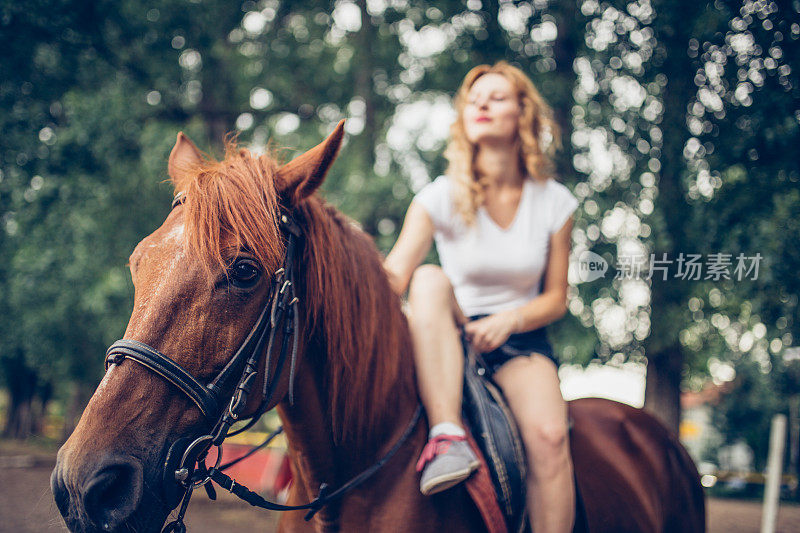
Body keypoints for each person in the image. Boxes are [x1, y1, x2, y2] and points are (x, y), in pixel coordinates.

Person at [383, 61, 578, 532]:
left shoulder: (555, 202)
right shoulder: (439, 196)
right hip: (444, 329)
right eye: (473, 100)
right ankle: (446, 435)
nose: (481, 105)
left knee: (551, 438)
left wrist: (510, 320)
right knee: (427, 278)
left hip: (519, 338)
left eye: (496, 97)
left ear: (523, 113)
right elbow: (393, 276)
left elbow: (556, 299)